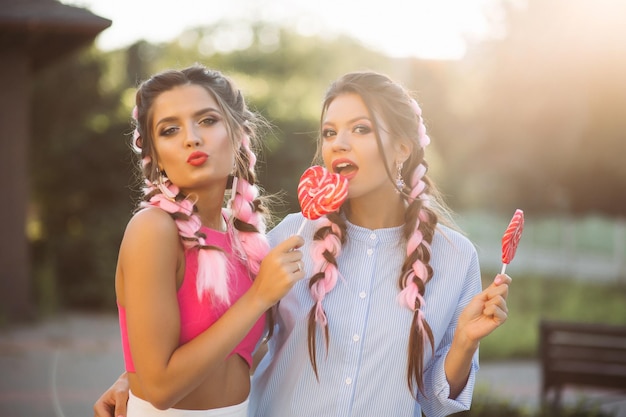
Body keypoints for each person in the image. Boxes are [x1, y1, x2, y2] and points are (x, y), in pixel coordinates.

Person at [95, 70, 511, 417]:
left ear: (404, 146)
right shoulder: (291, 237)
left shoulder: (456, 259)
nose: (339, 144)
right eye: (329, 132)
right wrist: (135, 380)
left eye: (360, 129)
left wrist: (463, 343)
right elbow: (226, 326)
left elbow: (437, 401)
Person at [105, 63, 305, 417]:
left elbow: (242, 354)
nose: (191, 138)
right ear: (156, 158)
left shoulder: (243, 237)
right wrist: (259, 297)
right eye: (170, 130)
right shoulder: (153, 229)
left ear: (239, 133)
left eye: (207, 120)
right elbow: (160, 388)